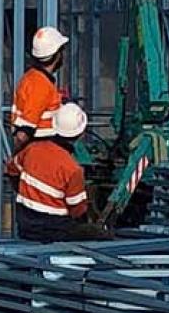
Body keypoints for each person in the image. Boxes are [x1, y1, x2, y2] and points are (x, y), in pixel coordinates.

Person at [11, 102, 104, 241]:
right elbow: (77, 209)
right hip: (55, 228)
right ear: (81, 133)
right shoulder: (72, 169)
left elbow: (11, 170)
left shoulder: (32, 149)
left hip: (25, 224)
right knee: (98, 235)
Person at [10, 25, 70, 145]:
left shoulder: (31, 77)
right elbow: (23, 133)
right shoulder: (40, 84)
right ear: (57, 55)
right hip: (41, 147)